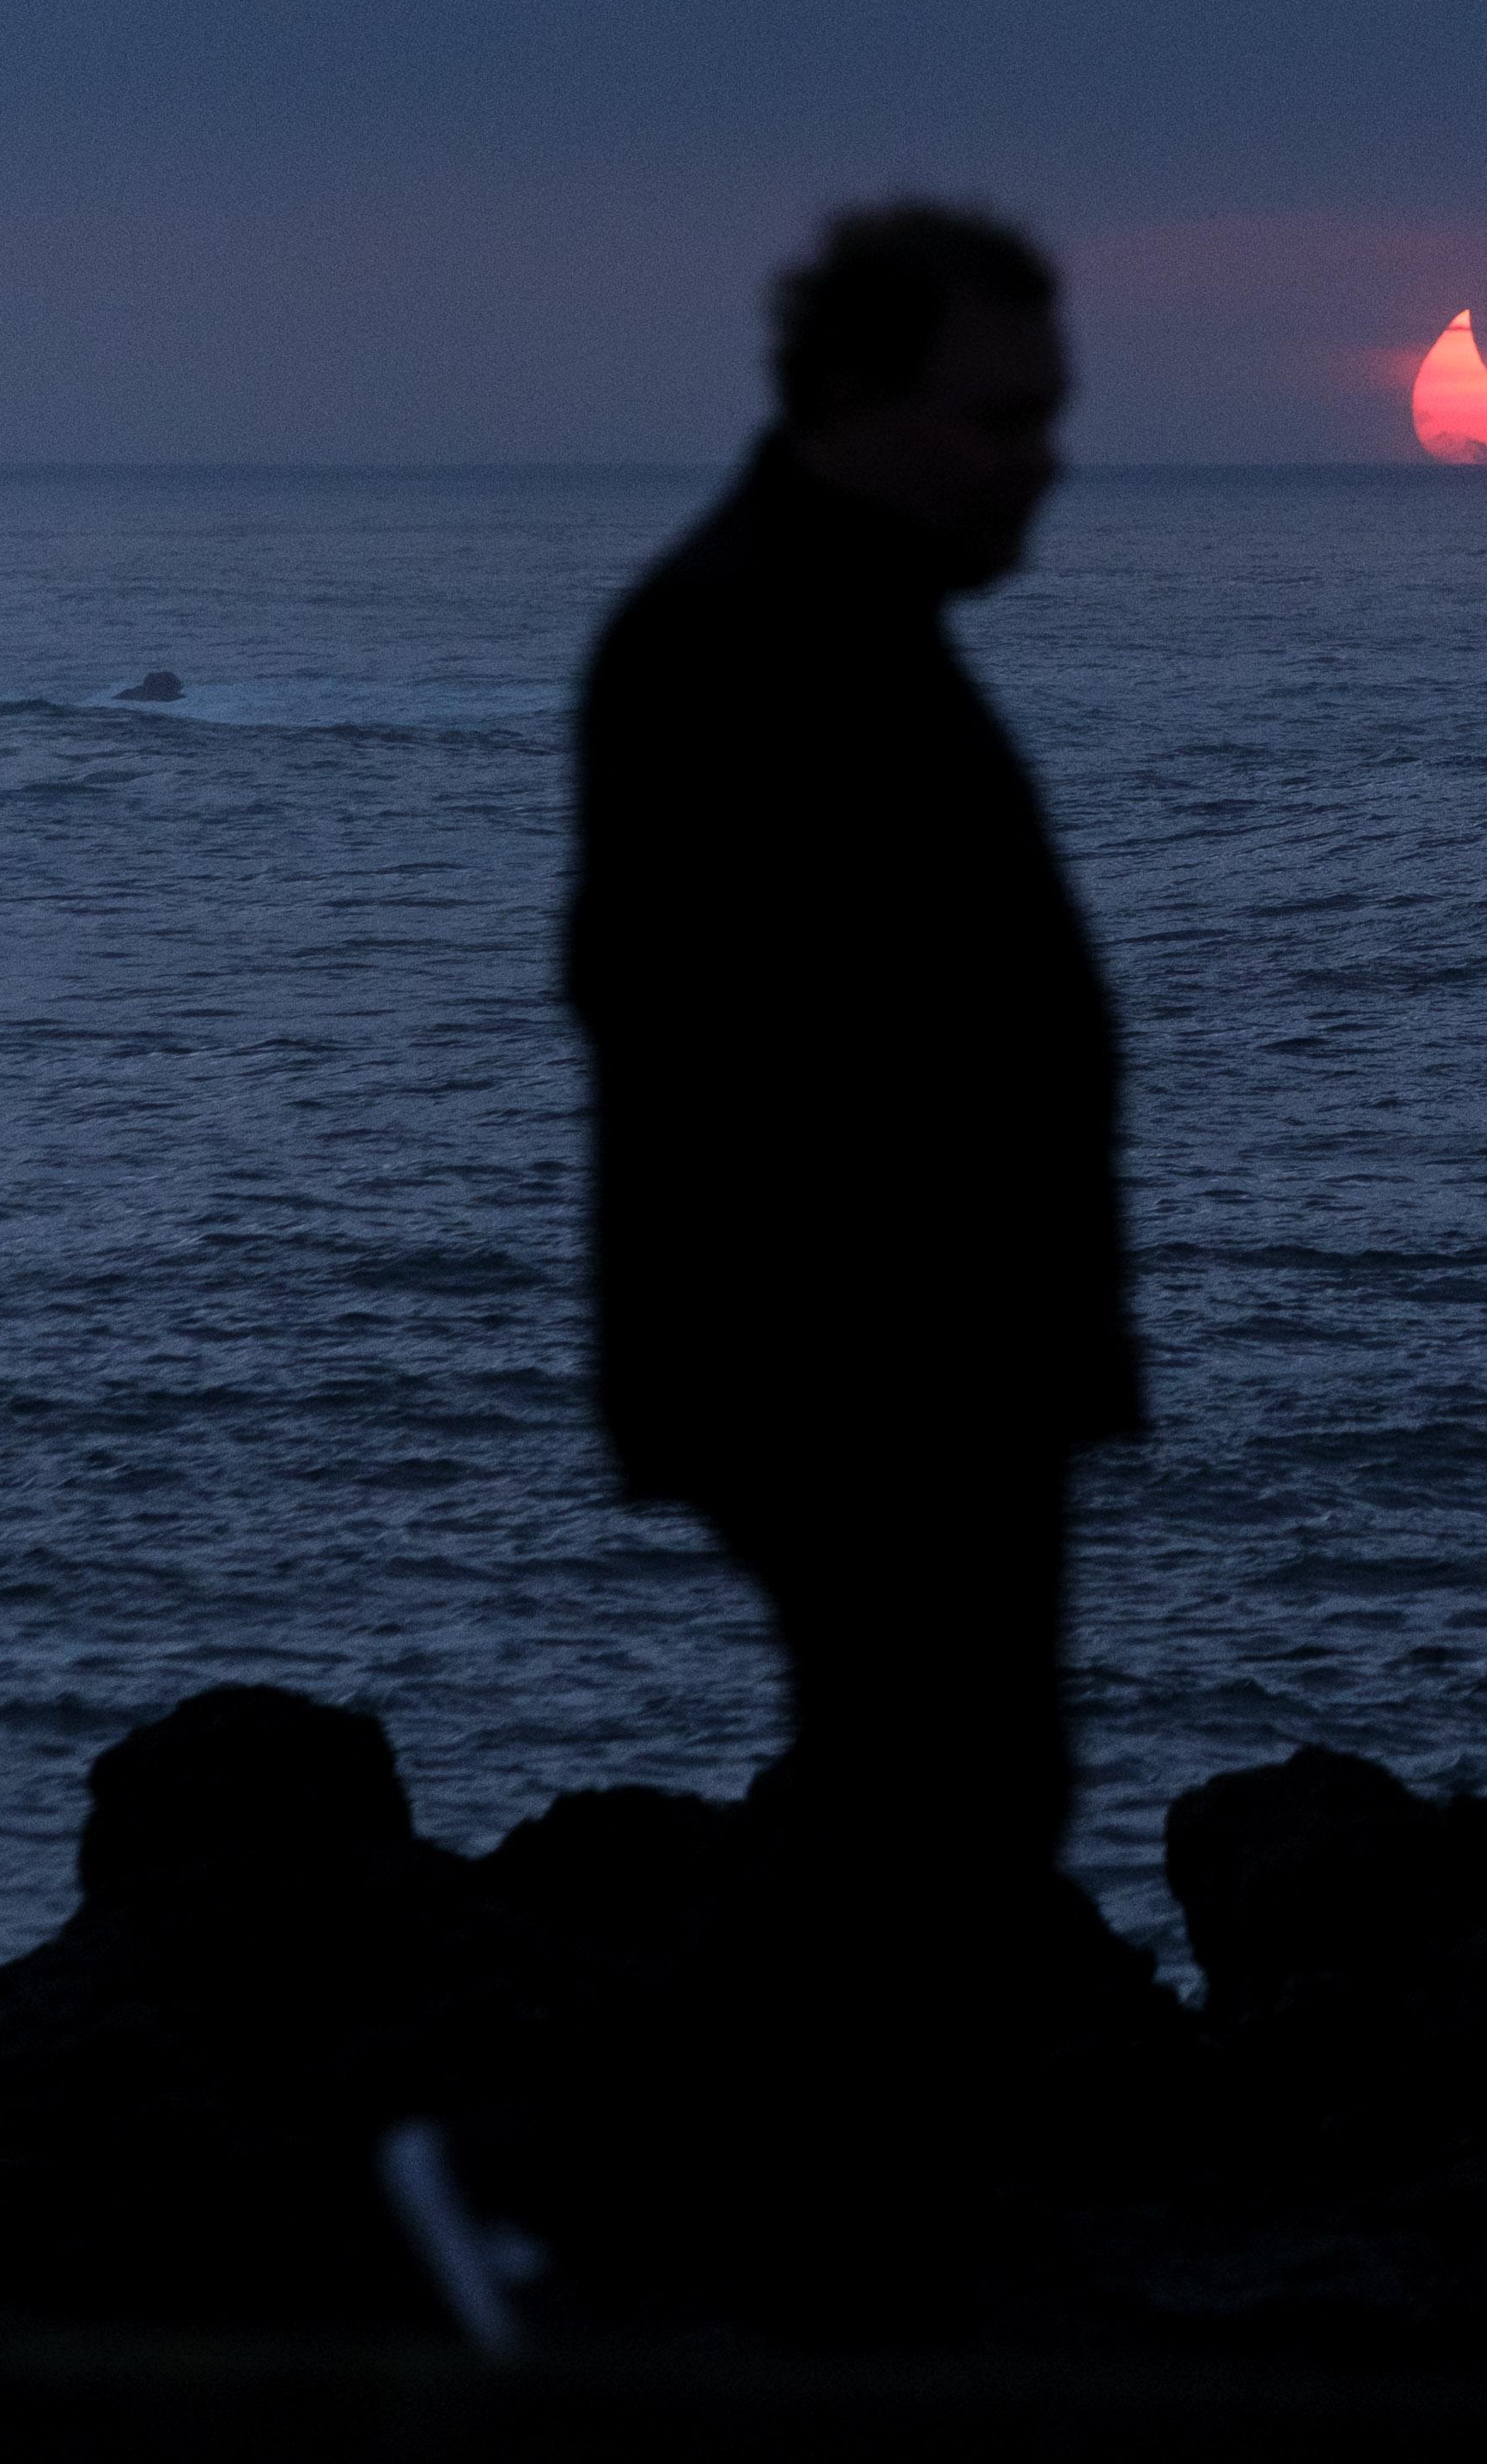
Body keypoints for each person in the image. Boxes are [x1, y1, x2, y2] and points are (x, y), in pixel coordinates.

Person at [564, 201, 1140, 1931]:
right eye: (997, 417)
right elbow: (691, 1023)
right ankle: (546, 2173)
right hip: (864, 1372)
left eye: (1051, 417)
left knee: (940, 1810)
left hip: (918, 1366)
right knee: (938, 1817)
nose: (1041, 466)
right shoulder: (743, 642)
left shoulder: (844, 627)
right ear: (847, 396)